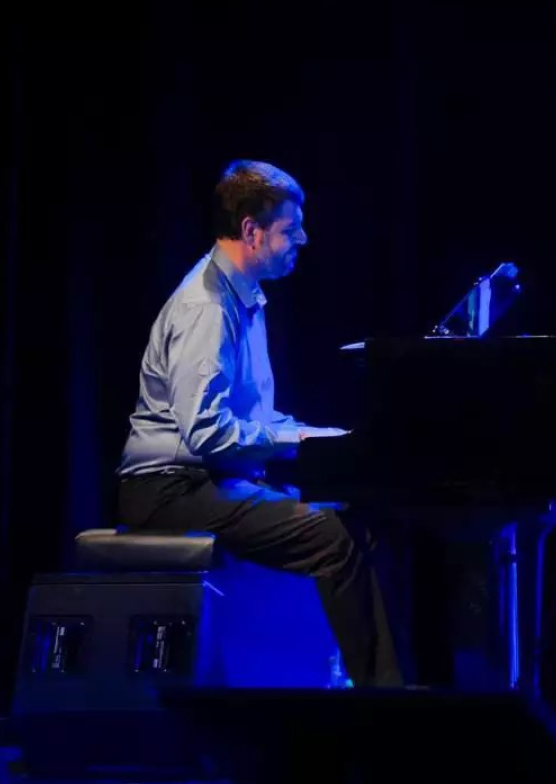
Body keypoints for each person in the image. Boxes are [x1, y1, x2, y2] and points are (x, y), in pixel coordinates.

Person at [116, 159, 403, 687]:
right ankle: (380, 704)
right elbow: (205, 434)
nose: (304, 239)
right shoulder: (206, 306)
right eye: (290, 230)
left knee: (358, 524)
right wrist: (293, 440)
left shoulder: (242, 297)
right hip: (165, 488)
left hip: (205, 478)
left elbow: (250, 420)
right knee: (329, 538)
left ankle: (377, 686)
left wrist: (316, 437)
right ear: (251, 230)